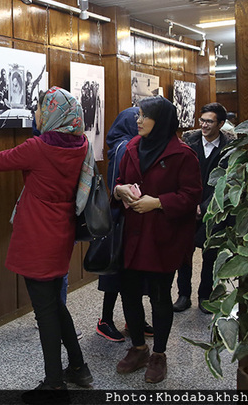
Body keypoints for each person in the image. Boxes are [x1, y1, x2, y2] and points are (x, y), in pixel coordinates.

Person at [0, 86, 93, 403]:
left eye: (40, 110)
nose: (36, 115)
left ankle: (54, 385)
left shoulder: (39, 147)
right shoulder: (81, 144)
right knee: (55, 305)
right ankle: (78, 367)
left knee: (45, 312)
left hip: (37, 236)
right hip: (61, 233)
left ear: (52, 115)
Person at [112, 96, 201, 384]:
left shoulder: (183, 154)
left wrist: (158, 202)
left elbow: (191, 196)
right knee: (129, 293)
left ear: (160, 121)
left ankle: (159, 354)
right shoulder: (132, 147)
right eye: (137, 114)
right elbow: (119, 181)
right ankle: (138, 348)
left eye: (144, 116)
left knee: (161, 298)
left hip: (163, 238)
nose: (138, 120)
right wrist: (120, 191)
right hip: (133, 236)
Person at [96, 107, 154, 342]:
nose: (141, 122)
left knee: (132, 272)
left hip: (132, 218)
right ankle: (105, 320)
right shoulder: (125, 148)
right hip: (121, 219)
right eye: (138, 119)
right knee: (116, 272)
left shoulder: (130, 144)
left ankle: (133, 318)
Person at [173, 103, 233, 313]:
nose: (204, 125)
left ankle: (205, 296)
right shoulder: (189, 140)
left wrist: (205, 207)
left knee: (210, 254)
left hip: (214, 208)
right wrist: (189, 203)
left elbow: (227, 181)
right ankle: (183, 295)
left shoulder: (229, 147)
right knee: (184, 253)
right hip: (187, 205)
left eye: (209, 121)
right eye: (202, 121)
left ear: (221, 124)